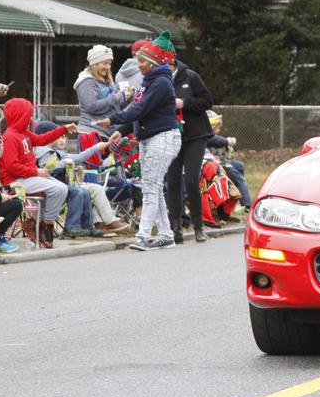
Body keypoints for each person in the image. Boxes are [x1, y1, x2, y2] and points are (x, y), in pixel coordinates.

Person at [94, 32, 181, 251]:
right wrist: (122, 130)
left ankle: (142, 235)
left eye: (142, 61)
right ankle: (166, 234)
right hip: (149, 138)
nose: (138, 64)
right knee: (154, 186)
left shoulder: (160, 83)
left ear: (153, 62)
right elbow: (138, 110)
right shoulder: (148, 82)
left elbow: (140, 108)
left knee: (150, 187)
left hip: (162, 137)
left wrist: (114, 119)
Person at [0, 99, 75, 248]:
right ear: (19, 115)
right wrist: (36, 171)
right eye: (27, 114)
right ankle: (43, 227)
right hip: (17, 180)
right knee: (59, 189)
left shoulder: (23, 133)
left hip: (29, 176)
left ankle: (39, 225)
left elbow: (42, 139)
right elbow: (11, 166)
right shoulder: (10, 137)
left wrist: (63, 129)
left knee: (62, 188)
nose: (30, 118)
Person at [33, 121, 131, 235]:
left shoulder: (56, 151)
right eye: (57, 135)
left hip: (60, 184)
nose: (60, 137)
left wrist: (75, 168)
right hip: (53, 187)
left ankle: (93, 224)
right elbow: (53, 168)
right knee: (85, 190)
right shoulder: (42, 152)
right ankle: (98, 223)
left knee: (89, 190)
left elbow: (74, 159)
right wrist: (95, 148)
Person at [165, 49, 214, 244]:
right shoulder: (159, 81)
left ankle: (198, 226)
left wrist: (184, 103)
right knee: (173, 181)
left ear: (173, 62)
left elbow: (207, 101)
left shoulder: (190, 76)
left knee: (192, 179)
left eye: (166, 64)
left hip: (195, 135)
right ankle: (176, 227)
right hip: (171, 135)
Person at [75, 45, 133, 138]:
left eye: (109, 63)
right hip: (91, 133)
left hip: (107, 133)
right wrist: (118, 96)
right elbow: (92, 106)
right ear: (95, 63)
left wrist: (126, 98)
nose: (108, 67)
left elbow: (114, 106)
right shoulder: (86, 81)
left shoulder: (107, 80)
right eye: (105, 63)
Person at [206, 110, 252, 212]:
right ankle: (248, 204)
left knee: (239, 165)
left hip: (221, 162)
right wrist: (227, 141)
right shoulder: (207, 137)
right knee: (239, 178)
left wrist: (227, 142)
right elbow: (215, 140)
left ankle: (240, 197)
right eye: (217, 128)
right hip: (216, 166)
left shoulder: (214, 137)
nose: (218, 131)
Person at [0, 130, 23, 253]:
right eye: (1, 145)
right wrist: (0, 197)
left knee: (15, 201)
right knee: (16, 205)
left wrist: (9, 187)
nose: (3, 147)